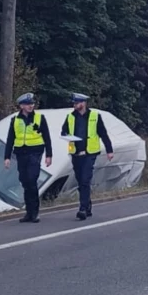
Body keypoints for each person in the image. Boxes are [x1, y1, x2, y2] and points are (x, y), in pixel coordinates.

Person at [2, 92, 53, 223]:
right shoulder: (15, 120)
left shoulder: (39, 118)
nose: (31, 106)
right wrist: (7, 157)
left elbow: (47, 137)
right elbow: (10, 139)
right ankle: (28, 213)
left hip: (35, 152)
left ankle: (35, 212)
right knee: (24, 181)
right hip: (20, 153)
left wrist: (49, 155)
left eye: (32, 103)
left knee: (32, 179)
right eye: (28, 104)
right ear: (21, 106)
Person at [65, 93, 114, 221]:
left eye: (77, 103)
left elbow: (103, 133)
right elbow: (64, 131)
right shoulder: (70, 117)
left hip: (90, 153)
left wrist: (109, 150)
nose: (74, 105)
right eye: (74, 103)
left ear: (84, 103)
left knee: (85, 179)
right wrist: (65, 135)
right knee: (81, 181)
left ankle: (82, 209)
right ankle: (87, 205)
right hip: (76, 153)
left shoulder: (95, 116)